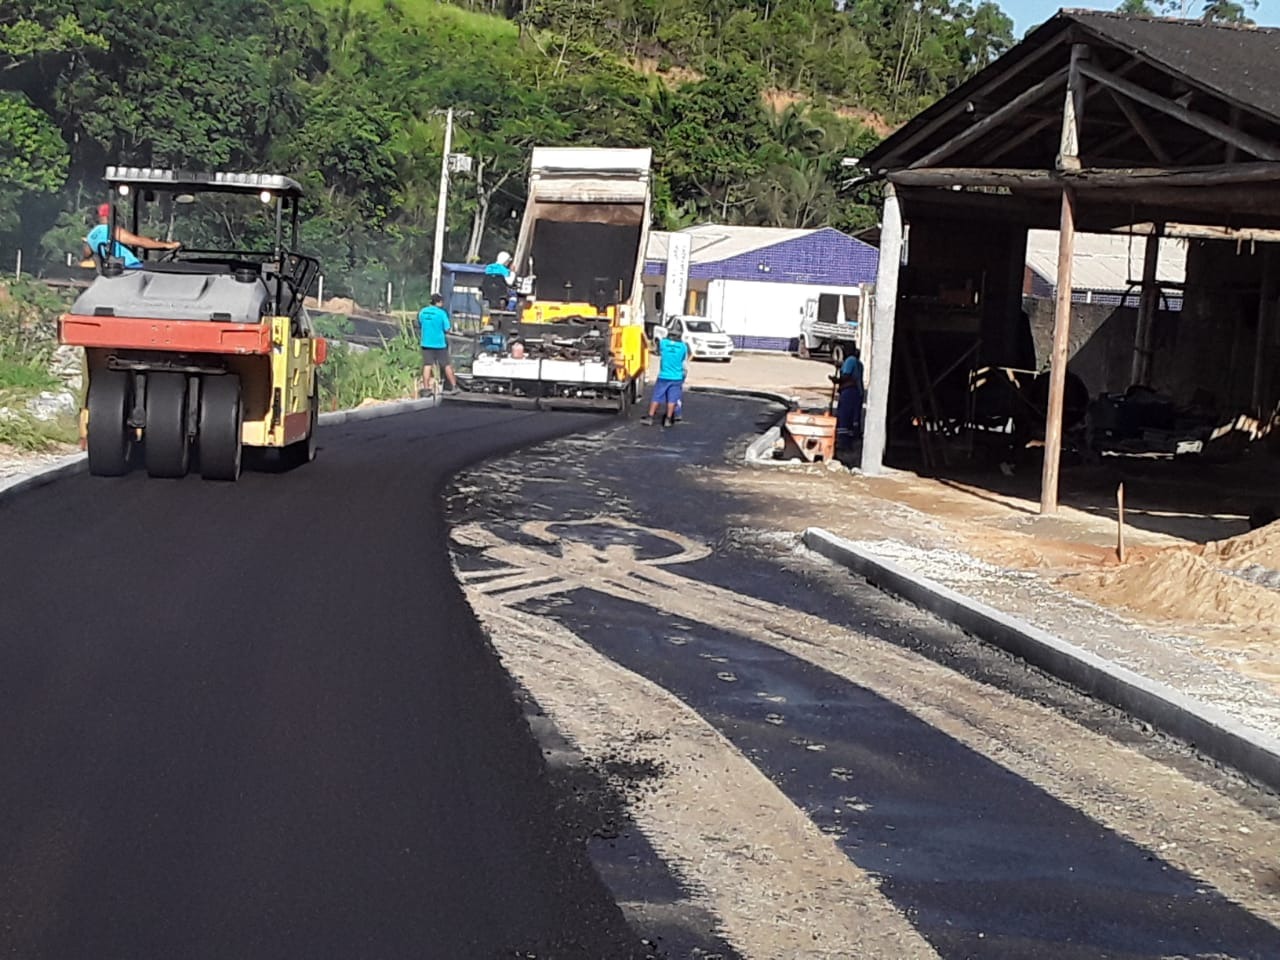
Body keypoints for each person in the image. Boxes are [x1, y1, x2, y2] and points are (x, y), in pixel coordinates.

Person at [83, 203, 179, 269]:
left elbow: (86, 253)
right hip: (130, 267)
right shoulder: (112, 230)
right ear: (110, 216)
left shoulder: (91, 235)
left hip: (112, 270)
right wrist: (166, 245)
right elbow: (140, 242)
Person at [643, 324, 688, 427]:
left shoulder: (663, 343)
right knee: (672, 399)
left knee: (657, 397)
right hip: (677, 377)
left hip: (663, 376)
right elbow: (684, 360)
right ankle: (668, 419)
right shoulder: (683, 347)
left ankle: (650, 417)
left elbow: (656, 349)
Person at [418, 293, 458, 395]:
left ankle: (426, 388)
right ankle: (454, 386)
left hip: (426, 343)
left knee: (427, 365)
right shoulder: (441, 313)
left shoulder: (423, 312)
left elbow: (420, 324)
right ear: (439, 302)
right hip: (439, 344)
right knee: (446, 365)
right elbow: (447, 329)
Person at [831, 346, 865, 446]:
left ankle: (844, 442)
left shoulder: (850, 360)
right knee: (853, 417)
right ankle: (852, 440)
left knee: (844, 416)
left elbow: (846, 376)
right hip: (857, 392)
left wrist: (836, 380)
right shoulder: (859, 363)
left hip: (849, 391)